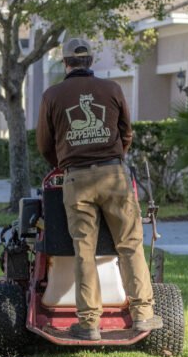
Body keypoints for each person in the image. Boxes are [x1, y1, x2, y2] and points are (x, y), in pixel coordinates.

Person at [35, 37, 162, 341]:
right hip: (114, 176)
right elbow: (126, 133)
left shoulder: (52, 95)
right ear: (91, 62)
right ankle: (143, 315)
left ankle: (88, 323)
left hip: (76, 179)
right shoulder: (113, 89)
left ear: (65, 63)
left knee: (84, 251)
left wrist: (65, 165)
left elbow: (44, 143)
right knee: (130, 245)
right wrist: (113, 160)